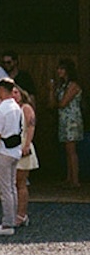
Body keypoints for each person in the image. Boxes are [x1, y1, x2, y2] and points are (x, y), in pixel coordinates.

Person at [0, 78, 23, 236]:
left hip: (3, 151)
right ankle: (12, 218)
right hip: (15, 150)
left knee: (4, 189)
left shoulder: (0, 110)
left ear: (1, 90)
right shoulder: (17, 108)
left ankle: (7, 224)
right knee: (12, 187)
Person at [53, 59, 81, 187]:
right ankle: (69, 178)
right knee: (67, 149)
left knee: (71, 150)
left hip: (71, 120)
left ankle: (75, 180)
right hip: (64, 119)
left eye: (62, 69)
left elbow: (64, 102)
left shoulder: (73, 86)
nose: (59, 71)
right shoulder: (63, 85)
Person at [16, 81, 39, 228]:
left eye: (16, 92)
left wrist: (26, 145)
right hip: (10, 148)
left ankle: (22, 214)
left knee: (21, 182)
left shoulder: (26, 108)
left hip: (23, 145)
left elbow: (31, 126)